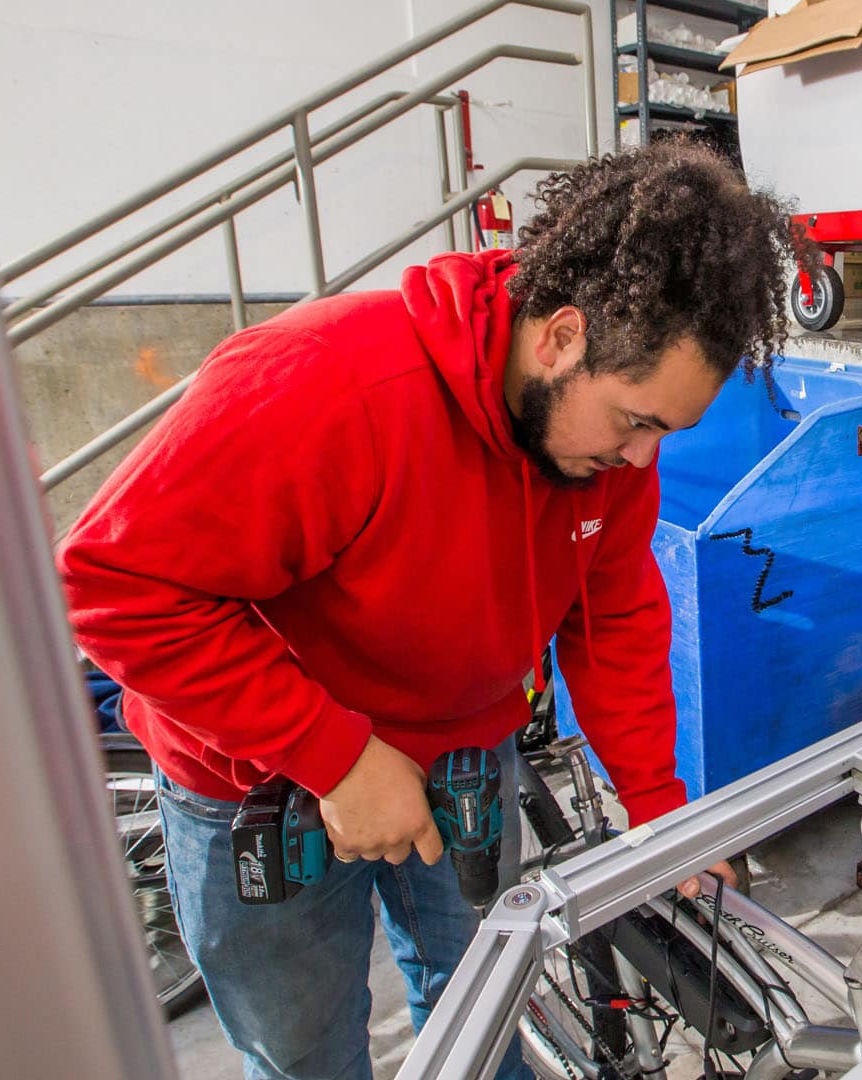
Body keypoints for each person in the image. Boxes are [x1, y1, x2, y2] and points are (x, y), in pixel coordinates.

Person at [60, 140, 796, 1080]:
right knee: (304, 1055)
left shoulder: (604, 460)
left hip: (460, 766)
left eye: (667, 432)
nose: (642, 459)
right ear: (561, 338)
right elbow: (112, 582)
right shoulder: (328, 386)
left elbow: (612, 622)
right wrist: (332, 755)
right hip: (260, 780)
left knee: (485, 1020)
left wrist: (657, 813)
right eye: (636, 420)